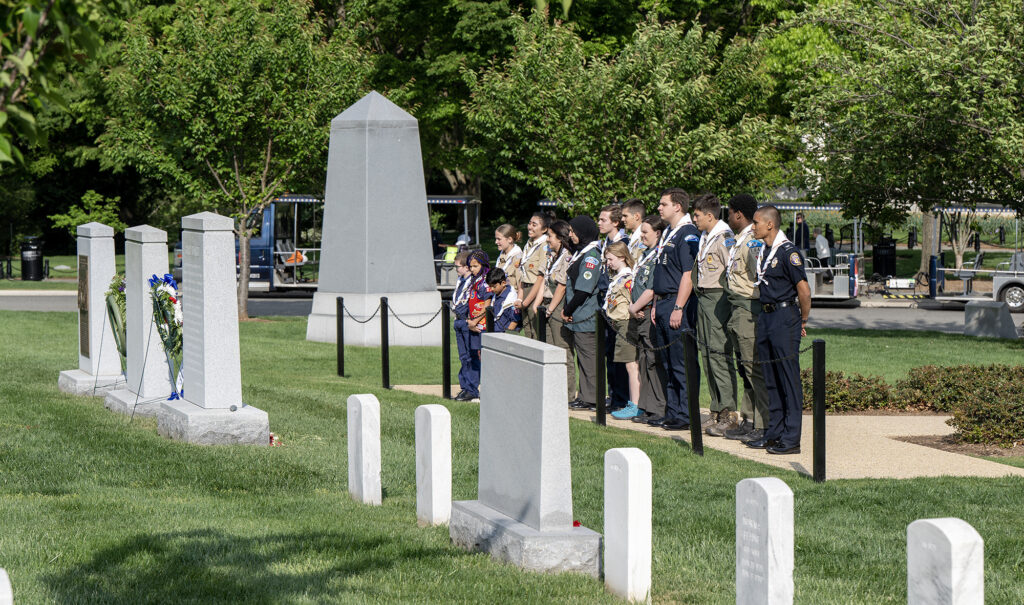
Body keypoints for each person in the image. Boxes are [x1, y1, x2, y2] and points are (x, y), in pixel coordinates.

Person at [746, 205, 811, 455]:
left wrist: (802, 320)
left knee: (788, 379)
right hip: (767, 316)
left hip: (785, 316)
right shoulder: (765, 250)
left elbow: (804, 291)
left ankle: (791, 438)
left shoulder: (788, 252)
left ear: (769, 224)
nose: (753, 227)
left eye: (756, 223)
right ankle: (774, 433)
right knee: (771, 379)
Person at [647, 188, 699, 431]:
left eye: (663, 204)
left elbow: (687, 275)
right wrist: (658, 304)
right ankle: (673, 410)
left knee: (680, 362)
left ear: (677, 206)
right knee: (667, 361)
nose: (659, 208)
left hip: (679, 303)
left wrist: (678, 307)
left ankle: (686, 414)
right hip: (664, 302)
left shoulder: (687, 233)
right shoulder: (669, 232)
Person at [721, 194, 769, 443]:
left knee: (753, 368)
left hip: (748, 307)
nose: (727, 217)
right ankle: (749, 419)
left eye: (729, 212)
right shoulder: (741, 240)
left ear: (738, 214)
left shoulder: (752, 242)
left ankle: (763, 425)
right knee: (744, 367)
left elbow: (759, 277)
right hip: (737, 307)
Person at [691, 193, 740, 436]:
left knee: (720, 354)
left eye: (698, 215)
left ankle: (729, 412)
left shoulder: (725, 238)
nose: (694, 219)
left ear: (710, 216)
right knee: (707, 355)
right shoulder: (705, 236)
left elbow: (733, 272)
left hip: (718, 298)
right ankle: (715, 408)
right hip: (703, 298)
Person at [626, 215, 668, 423]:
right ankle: (646, 405)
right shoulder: (645, 254)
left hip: (648, 312)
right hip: (639, 314)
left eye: (645, 232)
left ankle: (658, 407)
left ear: (657, 233)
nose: (641, 235)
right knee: (644, 360)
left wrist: (634, 307)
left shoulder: (658, 255)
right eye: (641, 231)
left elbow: (651, 289)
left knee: (653, 361)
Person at [534, 219, 578, 403]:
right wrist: (537, 305)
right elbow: (544, 280)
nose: (547, 240)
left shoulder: (567, 256)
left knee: (562, 350)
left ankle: (567, 395)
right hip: (547, 305)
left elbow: (561, 286)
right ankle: (553, 391)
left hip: (557, 305)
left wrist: (550, 310)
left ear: (560, 238)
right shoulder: (552, 255)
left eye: (550, 236)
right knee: (550, 351)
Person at [562, 216, 602, 410]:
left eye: (573, 231)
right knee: (583, 359)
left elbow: (584, 289)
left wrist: (568, 309)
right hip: (578, 316)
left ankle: (592, 397)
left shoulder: (591, 255)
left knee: (589, 360)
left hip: (586, 316)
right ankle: (585, 395)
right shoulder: (581, 252)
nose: (570, 235)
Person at [602, 241, 641, 419]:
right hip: (618, 323)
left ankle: (635, 404)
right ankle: (633, 402)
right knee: (628, 365)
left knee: (631, 365)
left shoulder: (627, 278)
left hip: (626, 323)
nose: (608, 263)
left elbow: (632, 298)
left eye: (610, 259)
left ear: (622, 257)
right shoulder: (618, 277)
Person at [597, 202, 629, 411]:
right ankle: (614, 394)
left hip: (619, 306)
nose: (599, 223)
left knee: (620, 356)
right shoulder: (604, 243)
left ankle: (621, 397)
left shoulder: (623, 244)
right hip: (606, 304)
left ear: (615, 222)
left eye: (603, 220)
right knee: (609, 353)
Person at [456, 249, 491, 402]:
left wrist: (475, 321)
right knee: (468, 356)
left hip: (479, 325)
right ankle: (468, 388)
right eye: (470, 266)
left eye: (475, 266)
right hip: (470, 322)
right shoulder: (473, 281)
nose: (472, 269)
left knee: (477, 358)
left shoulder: (485, 281)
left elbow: (487, 303)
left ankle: (474, 388)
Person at [517, 212, 552, 340]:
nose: (530, 227)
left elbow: (541, 277)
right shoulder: (529, 244)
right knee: (527, 332)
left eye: (534, 224)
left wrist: (526, 301)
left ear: (544, 229)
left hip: (535, 292)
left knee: (536, 333)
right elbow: (522, 272)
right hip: (525, 290)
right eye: (529, 223)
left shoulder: (544, 246)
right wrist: (521, 298)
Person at [451, 251, 475, 402]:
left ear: (466, 267)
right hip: (458, 320)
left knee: (470, 357)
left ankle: (471, 388)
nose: (456, 270)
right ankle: (464, 387)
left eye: (458, 267)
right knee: (463, 356)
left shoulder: (472, 282)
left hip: (467, 321)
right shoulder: (460, 280)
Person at [484, 268, 521, 333]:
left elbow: (514, 321)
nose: (492, 289)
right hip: (494, 332)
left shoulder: (511, 298)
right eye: (490, 286)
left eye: (494, 286)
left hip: (504, 334)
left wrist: (507, 335)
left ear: (503, 283)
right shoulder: (496, 295)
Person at [494, 224, 523, 292]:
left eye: (499, 239)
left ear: (509, 239)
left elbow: (520, 286)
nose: (496, 242)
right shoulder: (501, 256)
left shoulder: (517, 258)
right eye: (496, 239)